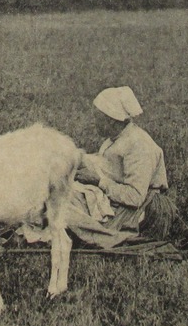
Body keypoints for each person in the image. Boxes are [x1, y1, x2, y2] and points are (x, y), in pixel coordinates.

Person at [65, 86, 173, 248]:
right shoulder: (115, 139)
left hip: (137, 210)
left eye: (97, 118)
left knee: (62, 205)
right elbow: (108, 166)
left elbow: (135, 197)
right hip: (113, 200)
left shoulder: (139, 145)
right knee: (58, 191)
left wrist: (98, 181)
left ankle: (96, 235)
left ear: (111, 119)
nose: (94, 123)